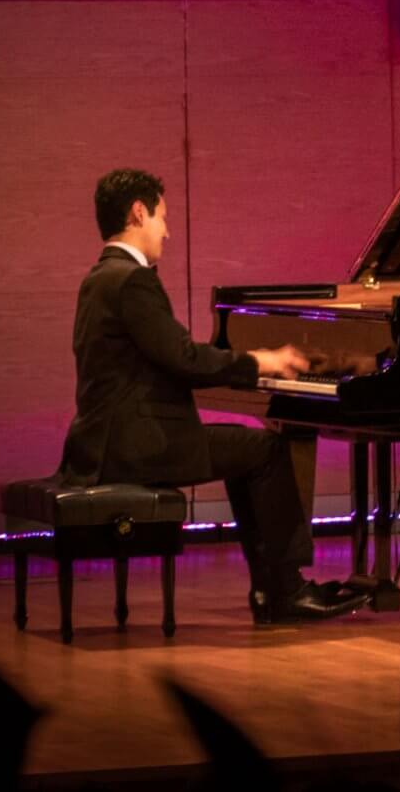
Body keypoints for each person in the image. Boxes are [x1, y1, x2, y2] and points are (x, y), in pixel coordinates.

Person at [58, 168, 367, 623]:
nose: (167, 230)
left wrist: (243, 364)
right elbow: (182, 358)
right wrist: (257, 362)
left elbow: (168, 359)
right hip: (138, 446)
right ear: (138, 213)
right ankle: (285, 590)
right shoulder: (131, 280)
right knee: (265, 450)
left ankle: (272, 591)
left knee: (248, 454)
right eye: (162, 217)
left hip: (103, 443)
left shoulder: (99, 278)